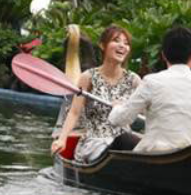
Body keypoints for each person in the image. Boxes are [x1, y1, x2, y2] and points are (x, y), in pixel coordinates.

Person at [107, 25, 191, 155]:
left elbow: (119, 120)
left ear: (163, 55)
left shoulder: (151, 82)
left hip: (156, 159)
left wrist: (116, 107)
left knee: (122, 139)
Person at [51, 24, 141, 164]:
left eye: (126, 43)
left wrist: (126, 108)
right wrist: (62, 139)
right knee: (127, 140)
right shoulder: (88, 77)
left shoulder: (134, 80)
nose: (122, 46)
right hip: (95, 142)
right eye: (116, 40)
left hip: (125, 140)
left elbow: (147, 111)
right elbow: (74, 112)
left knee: (136, 141)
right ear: (102, 45)